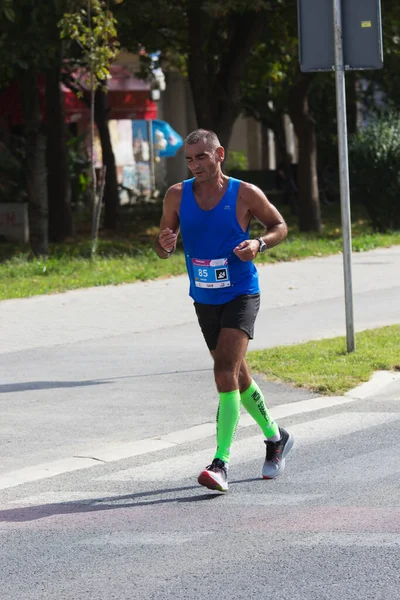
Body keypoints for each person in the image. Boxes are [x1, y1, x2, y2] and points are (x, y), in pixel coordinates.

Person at [154, 128, 293, 493]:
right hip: (204, 297)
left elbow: (280, 226)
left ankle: (221, 463)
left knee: (222, 371)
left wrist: (259, 243)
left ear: (219, 154)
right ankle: (276, 437)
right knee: (238, 376)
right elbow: (162, 247)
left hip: (241, 293)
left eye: (201, 156)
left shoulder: (244, 193)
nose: (194, 164)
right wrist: (165, 243)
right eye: (189, 159)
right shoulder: (177, 195)